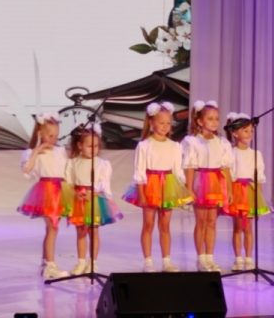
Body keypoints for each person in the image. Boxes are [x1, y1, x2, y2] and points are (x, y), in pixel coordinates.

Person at [123, 101, 193, 272]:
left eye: (168, 123)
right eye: (161, 122)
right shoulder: (144, 145)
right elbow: (139, 171)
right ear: (151, 122)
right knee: (148, 224)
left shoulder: (175, 146)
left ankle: (166, 261)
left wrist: (184, 190)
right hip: (151, 185)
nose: (165, 126)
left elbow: (177, 171)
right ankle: (148, 261)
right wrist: (142, 194)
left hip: (168, 186)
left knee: (165, 225)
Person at [64, 122, 123, 275]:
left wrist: (96, 192)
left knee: (93, 232)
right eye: (90, 146)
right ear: (80, 145)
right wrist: (75, 193)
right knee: (81, 232)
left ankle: (93, 263)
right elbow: (68, 183)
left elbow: (104, 184)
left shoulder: (102, 164)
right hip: (79, 200)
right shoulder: (73, 163)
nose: (94, 149)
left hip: (95, 200)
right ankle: (81, 262)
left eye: (96, 146)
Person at [182, 100, 233, 272]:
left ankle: (210, 257)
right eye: (210, 118)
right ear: (199, 121)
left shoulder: (222, 142)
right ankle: (201, 258)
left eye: (216, 118)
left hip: (216, 182)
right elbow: (190, 167)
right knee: (201, 221)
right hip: (201, 182)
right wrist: (189, 189)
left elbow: (226, 168)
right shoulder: (192, 142)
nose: (214, 122)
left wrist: (229, 190)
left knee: (212, 222)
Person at [18, 113, 70, 280]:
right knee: (53, 228)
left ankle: (46, 262)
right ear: (40, 133)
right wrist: (37, 151)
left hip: (61, 190)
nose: (53, 139)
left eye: (56, 136)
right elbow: (26, 170)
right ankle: (50, 266)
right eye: (50, 136)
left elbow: (67, 170)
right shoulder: (32, 153)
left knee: (51, 228)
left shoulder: (60, 151)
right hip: (46, 191)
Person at [226, 112, 269, 271]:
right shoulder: (231, 153)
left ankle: (249, 258)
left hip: (250, 191)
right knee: (238, 227)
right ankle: (238, 258)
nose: (249, 133)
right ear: (235, 133)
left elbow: (259, 178)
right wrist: (229, 193)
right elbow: (229, 174)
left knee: (249, 228)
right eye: (245, 130)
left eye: (251, 130)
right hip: (237, 190)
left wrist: (259, 198)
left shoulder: (256, 154)